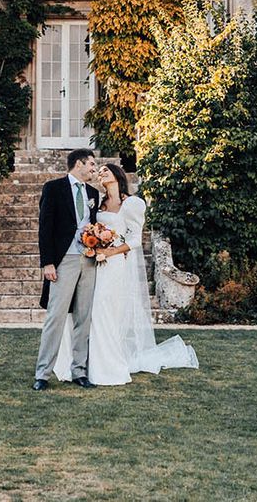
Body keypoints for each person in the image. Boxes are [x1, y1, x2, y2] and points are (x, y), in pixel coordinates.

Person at [54, 162, 199, 386]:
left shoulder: (131, 204)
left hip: (114, 266)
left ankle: (107, 368)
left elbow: (134, 240)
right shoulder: (97, 203)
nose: (100, 173)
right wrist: (92, 244)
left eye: (105, 170)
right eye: (98, 171)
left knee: (104, 313)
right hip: (94, 265)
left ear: (117, 175)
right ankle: (80, 365)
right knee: (85, 313)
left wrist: (110, 251)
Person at [32, 148, 101, 390]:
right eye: (91, 164)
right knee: (56, 317)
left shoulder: (93, 193)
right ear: (79, 164)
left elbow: (92, 225)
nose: (94, 168)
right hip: (64, 260)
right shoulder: (53, 188)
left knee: (84, 317)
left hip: (89, 260)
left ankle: (79, 371)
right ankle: (42, 374)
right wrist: (47, 262)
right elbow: (45, 227)